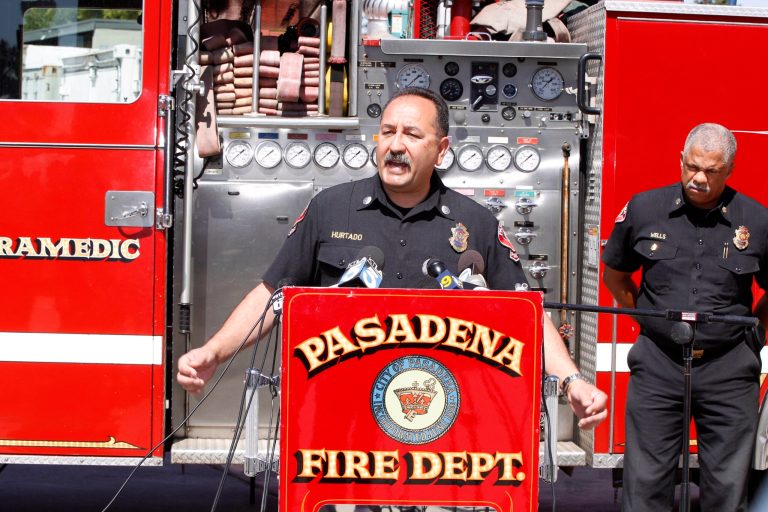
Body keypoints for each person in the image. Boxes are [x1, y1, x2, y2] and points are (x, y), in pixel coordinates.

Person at [178, 87, 607, 429]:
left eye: (412, 135)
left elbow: (526, 314)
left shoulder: (474, 223)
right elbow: (272, 294)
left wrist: (571, 381)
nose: (396, 146)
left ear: (441, 150)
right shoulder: (331, 208)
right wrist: (213, 352)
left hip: (442, 421)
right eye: (388, 132)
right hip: (341, 422)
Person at [602, 123, 768, 511]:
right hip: (659, 363)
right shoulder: (644, 209)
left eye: (711, 171)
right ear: (680, 159)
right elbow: (616, 274)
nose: (698, 178)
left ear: (729, 170)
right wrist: (646, 320)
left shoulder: (757, 220)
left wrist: (756, 334)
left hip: (729, 369)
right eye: (692, 166)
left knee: (727, 487)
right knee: (644, 483)